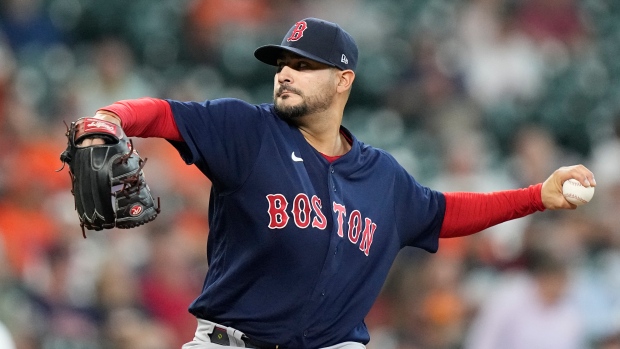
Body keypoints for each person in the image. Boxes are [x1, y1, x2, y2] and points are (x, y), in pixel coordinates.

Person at [76, 18, 596, 349]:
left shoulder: (382, 178)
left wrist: (536, 197)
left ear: (343, 80)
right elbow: (164, 114)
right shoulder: (247, 130)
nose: (285, 74)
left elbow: (444, 213)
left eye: (303, 66)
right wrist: (108, 116)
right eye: (282, 64)